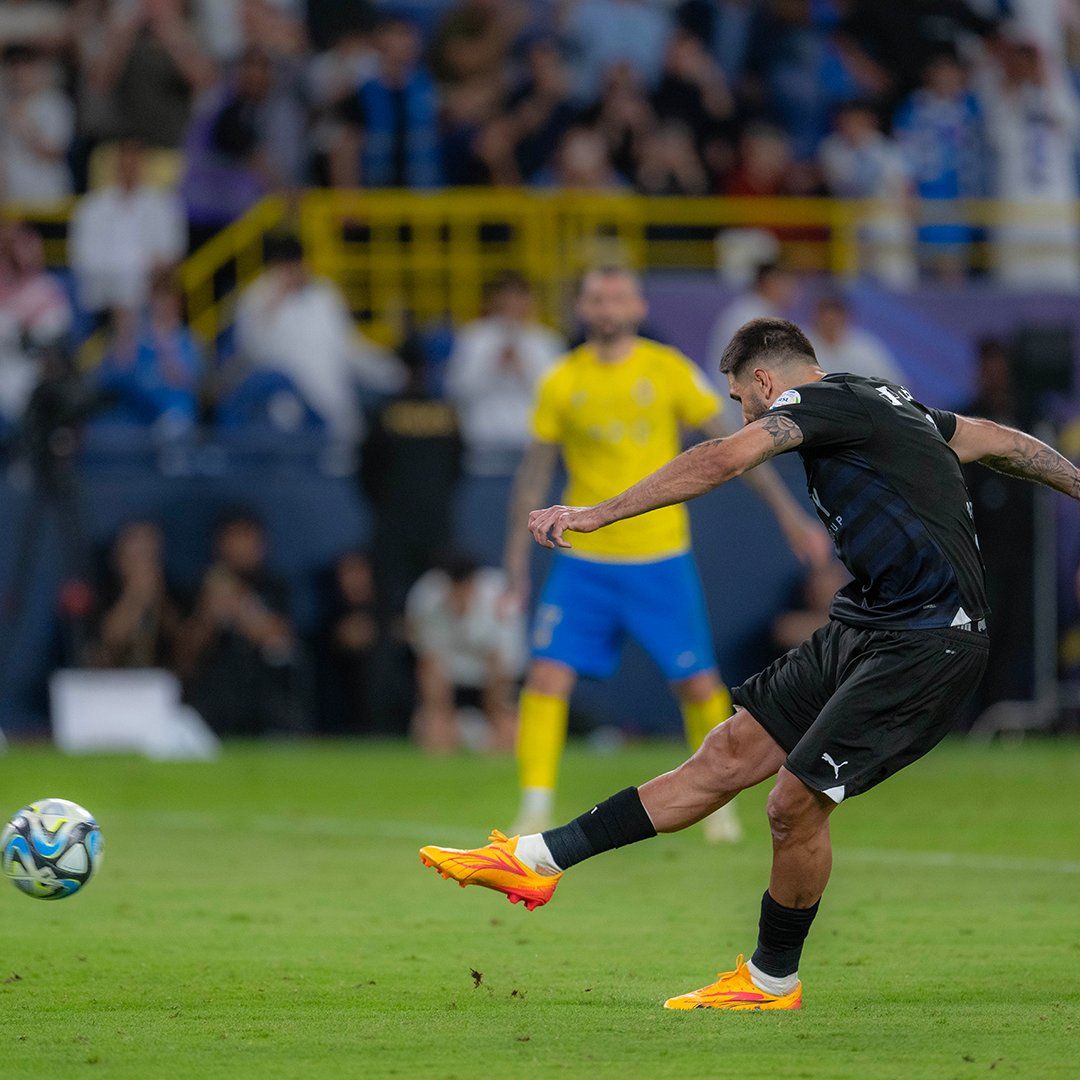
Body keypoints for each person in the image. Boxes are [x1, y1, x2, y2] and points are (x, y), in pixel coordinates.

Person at [420, 316, 1079, 1009]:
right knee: (727, 752)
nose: (742, 414)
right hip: (869, 623)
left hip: (928, 641)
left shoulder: (815, 402)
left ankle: (771, 981)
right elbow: (1002, 441)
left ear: (764, 380)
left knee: (793, 804)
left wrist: (598, 514)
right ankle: (535, 860)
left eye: (739, 400)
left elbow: (720, 460)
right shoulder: (883, 401)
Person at [501, 267, 830, 840]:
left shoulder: (667, 369)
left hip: (658, 556)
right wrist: (514, 564)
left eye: (618, 296)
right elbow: (533, 474)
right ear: (582, 308)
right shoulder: (561, 380)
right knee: (546, 677)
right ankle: (534, 805)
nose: (608, 306)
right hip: (583, 561)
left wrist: (790, 515)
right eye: (597, 297)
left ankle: (718, 804)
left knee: (697, 684)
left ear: (637, 306)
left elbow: (734, 446)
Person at [233, 235, 403, 442]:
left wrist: (391, 372)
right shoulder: (256, 297)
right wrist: (274, 304)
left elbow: (349, 346)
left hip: (332, 397)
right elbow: (250, 351)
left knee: (347, 433)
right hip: (284, 404)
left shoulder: (323, 294)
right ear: (276, 267)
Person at [177, 511, 305, 736]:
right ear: (220, 544)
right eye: (234, 538)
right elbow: (184, 658)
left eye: (248, 538)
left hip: (266, 692)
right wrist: (208, 615)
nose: (242, 547)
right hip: (214, 694)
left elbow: (281, 642)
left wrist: (241, 606)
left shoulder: (274, 585)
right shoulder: (199, 587)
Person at [445, 272, 563, 476]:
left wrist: (524, 369)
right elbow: (456, 390)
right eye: (507, 298)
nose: (513, 304)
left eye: (519, 297)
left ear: (530, 301)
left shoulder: (547, 341)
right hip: (485, 447)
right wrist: (492, 366)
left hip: (535, 447)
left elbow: (558, 397)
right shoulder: (474, 338)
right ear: (494, 300)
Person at [406, 554, 525, 754]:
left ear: (473, 584)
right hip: (449, 675)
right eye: (453, 590)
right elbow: (428, 665)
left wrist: (496, 716)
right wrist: (439, 716)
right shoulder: (425, 596)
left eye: (464, 589)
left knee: (509, 735)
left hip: (493, 679)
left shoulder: (500, 597)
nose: (458, 597)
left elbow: (503, 667)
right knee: (431, 734)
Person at [69, 139, 187, 319]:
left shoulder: (164, 205)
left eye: (135, 161)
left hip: (151, 291)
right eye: (125, 161)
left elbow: (171, 253)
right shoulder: (91, 207)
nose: (129, 167)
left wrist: (142, 275)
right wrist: (124, 279)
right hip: (103, 292)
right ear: (115, 165)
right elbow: (82, 257)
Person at [92, 520, 182, 668]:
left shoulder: (173, 590)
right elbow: (105, 646)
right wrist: (135, 594)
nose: (144, 562)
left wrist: (157, 598)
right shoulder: (98, 591)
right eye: (137, 553)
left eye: (150, 553)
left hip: (161, 676)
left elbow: (182, 648)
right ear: (117, 557)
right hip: (112, 678)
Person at [0, 42, 73, 203]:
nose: (18, 74)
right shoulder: (6, 105)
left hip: (46, 196)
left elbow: (55, 152)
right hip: (12, 197)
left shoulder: (54, 103)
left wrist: (25, 128)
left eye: (24, 68)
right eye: (13, 68)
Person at [707, 261, 796, 378]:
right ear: (769, 283)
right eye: (786, 283)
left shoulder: (758, 311)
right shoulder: (749, 316)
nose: (792, 290)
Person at [808, 294, 906, 383]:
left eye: (833, 319)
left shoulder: (865, 348)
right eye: (826, 319)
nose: (830, 324)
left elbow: (892, 381)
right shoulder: (804, 345)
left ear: (844, 318)